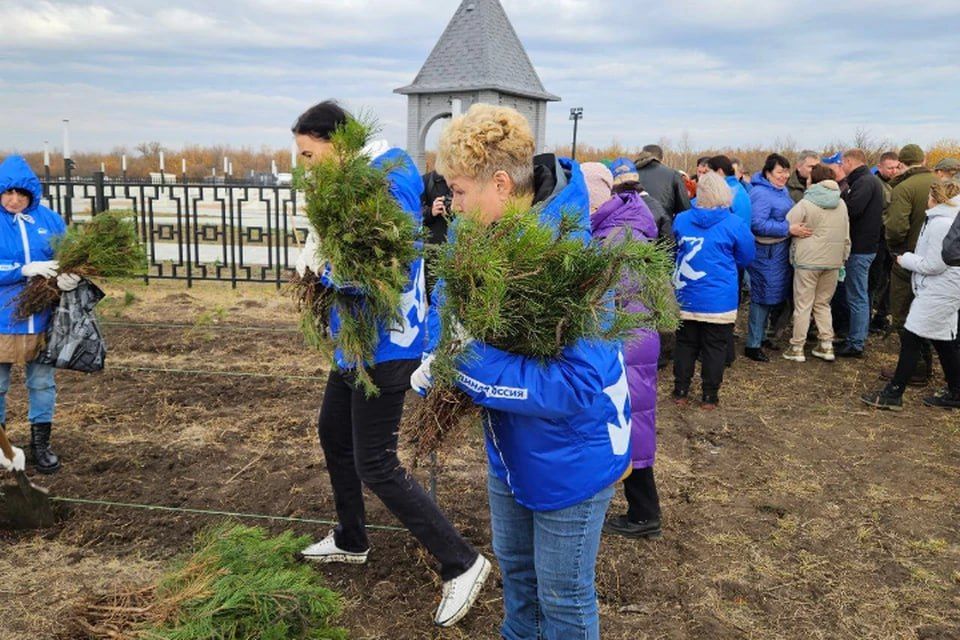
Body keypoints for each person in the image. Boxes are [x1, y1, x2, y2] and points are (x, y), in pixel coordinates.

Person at [414, 103, 631, 640]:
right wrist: (436, 348)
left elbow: (576, 384)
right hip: (509, 449)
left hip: (570, 461)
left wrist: (464, 364)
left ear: (503, 184)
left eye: (460, 191)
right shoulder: (477, 241)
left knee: (563, 596)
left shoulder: (567, 259)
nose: (452, 205)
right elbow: (446, 308)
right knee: (518, 579)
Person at [290, 101, 488, 629]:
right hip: (354, 341)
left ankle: (462, 562)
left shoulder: (389, 176)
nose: (304, 165)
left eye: (309, 154)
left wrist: (329, 275)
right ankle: (351, 538)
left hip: (389, 343)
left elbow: (395, 265)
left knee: (375, 461)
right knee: (333, 432)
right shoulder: (348, 180)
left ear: (335, 141)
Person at [591, 158, 663, 540]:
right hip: (640, 335)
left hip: (625, 341)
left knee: (628, 423)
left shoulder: (611, 238)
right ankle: (642, 510)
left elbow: (606, 301)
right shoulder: (632, 229)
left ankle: (644, 515)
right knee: (635, 422)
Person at [0, 156, 75, 475]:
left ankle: (40, 445)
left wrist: (72, 276)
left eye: (21, 193)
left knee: (42, 383)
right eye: (7, 193)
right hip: (3, 319)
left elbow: (68, 255)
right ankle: (2, 449)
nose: (14, 199)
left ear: (31, 194)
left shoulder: (50, 220)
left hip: (43, 319)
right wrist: (21, 270)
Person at [861, 179, 960, 410]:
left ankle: (894, 392)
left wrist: (906, 259)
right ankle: (956, 391)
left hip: (939, 290)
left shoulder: (940, 224)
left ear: (934, 199)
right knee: (943, 339)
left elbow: (936, 264)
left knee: (912, 336)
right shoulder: (947, 220)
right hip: (945, 288)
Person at [672, 172, 755, 408]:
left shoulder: (682, 220)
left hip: (686, 293)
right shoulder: (734, 224)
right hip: (719, 298)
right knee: (715, 346)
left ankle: (681, 390)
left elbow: (674, 248)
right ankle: (709, 395)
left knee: (685, 343)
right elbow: (747, 255)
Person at [745, 153, 811, 362]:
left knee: (772, 296)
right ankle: (752, 344)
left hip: (778, 252)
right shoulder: (761, 194)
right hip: (765, 252)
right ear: (767, 173)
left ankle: (761, 336)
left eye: (786, 171)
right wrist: (788, 228)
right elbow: (757, 224)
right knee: (761, 297)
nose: (784, 175)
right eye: (779, 171)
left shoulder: (781, 191)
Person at [783, 164, 850, 362]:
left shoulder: (806, 202)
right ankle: (826, 344)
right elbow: (846, 235)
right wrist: (843, 259)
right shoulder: (841, 203)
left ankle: (797, 347)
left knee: (803, 305)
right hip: (833, 260)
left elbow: (788, 223)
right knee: (823, 304)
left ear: (814, 180)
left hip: (807, 261)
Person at [883, 143, 937, 385]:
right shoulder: (940, 183)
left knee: (904, 313)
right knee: (930, 313)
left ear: (902, 163)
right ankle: (926, 365)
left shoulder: (904, 187)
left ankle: (914, 368)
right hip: (938, 261)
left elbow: (896, 227)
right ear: (923, 160)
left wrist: (895, 249)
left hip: (908, 260)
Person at [833, 149, 885, 358]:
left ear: (848, 161)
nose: (841, 167)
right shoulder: (867, 180)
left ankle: (856, 342)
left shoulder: (864, 182)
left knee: (857, 296)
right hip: (865, 246)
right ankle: (856, 337)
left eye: (842, 163)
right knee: (859, 294)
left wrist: (839, 201)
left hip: (860, 248)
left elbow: (852, 210)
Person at [869, 151, 902, 334]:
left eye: (897, 167)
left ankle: (881, 315)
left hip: (894, 241)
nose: (894, 171)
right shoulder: (876, 186)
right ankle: (870, 318)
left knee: (891, 280)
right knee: (876, 281)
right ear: (880, 167)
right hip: (880, 239)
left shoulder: (898, 184)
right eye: (890, 167)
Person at [635, 144, 692, 218]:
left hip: (633, 226)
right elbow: (684, 208)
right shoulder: (673, 175)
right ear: (662, 158)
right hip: (664, 225)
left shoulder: (630, 175)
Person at [420, 170, 453, 289]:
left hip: (460, 247)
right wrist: (431, 211)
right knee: (433, 290)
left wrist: (458, 207)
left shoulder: (466, 179)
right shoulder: (426, 181)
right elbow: (413, 215)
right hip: (434, 248)